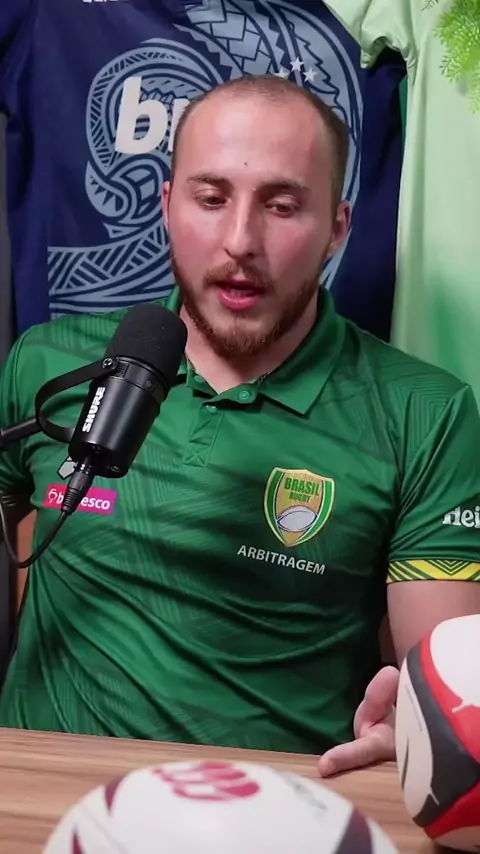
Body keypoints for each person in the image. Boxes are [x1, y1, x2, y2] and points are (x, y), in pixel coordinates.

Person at [0, 75, 479, 778]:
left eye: (282, 206)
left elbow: (452, 694)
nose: (239, 241)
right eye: (211, 198)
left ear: (337, 228)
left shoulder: (424, 413)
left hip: (278, 810)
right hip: (44, 799)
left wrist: (423, 728)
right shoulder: (51, 363)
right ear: (167, 205)